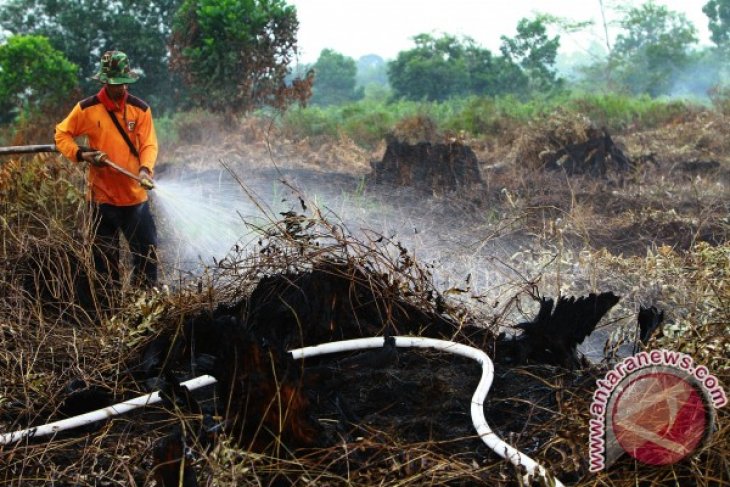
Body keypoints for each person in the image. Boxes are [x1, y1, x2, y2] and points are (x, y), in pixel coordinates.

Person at [55, 50, 159, 289]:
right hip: (102, 199)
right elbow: (62, 134)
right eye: (114, 83)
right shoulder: (87, 109)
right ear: (104, 81)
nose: (120, 88)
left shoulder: (140, 110)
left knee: (147, 255)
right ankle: (109, 312)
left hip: (135, 198)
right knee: (104, 262)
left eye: (123, 83)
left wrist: (144, 170)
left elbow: (149, 144)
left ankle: (144, 305)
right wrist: (83, 154)